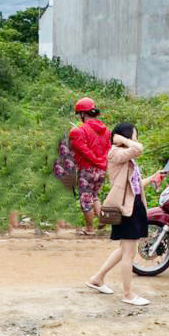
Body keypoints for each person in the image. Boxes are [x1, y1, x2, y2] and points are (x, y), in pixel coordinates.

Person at [87, 123, 156, 307]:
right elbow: (139, 148)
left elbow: (133, 185)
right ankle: (128, 294)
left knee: (124, 250)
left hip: (133, 206)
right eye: (134, 134)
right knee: (129, 253)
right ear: (123, 136)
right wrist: (121, 139)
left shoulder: (125, 156)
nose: (136, 139)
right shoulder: (116, 153)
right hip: (126, 209)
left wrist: (153, 178)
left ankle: (97, 278)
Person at [69, 97, 111, 235]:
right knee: (95, 196)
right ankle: (103, 221)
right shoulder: (107, 131)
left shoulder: (79, 131)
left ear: (82, 114)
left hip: (87, 170)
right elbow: (109, 150)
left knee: (86, 198)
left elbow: (83, 150)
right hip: (102, 169)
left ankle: (89, 229)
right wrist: (101, 162)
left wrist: (94, 160)